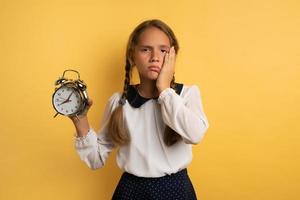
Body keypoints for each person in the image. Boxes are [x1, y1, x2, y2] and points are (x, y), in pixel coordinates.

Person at [70, 19, 209, 200]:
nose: (155, 57)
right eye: (145, 49)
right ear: (132, 56)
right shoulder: (119, 102)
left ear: (173, 55)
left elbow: (195, 135)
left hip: (175, 191)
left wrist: (165, 90)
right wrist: (80, 121)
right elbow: (96, 159)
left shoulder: (187, 95)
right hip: (131, 192)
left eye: (163, 50)